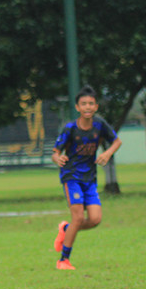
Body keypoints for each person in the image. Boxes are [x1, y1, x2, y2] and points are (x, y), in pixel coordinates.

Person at [51, 85, 123, 270]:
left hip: (89, 178)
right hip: (71, 176)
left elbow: (117, 141)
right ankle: (63, 260)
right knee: (77, 217)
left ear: (96, 106)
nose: (87, 107)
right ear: (77, 107)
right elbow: (55, 152)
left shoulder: (100, 125)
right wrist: (58, 158)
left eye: (91, 103)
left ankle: (65, 229)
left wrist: (107, 153)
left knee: (95, 219)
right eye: (83, 104)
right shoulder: (70, 128)